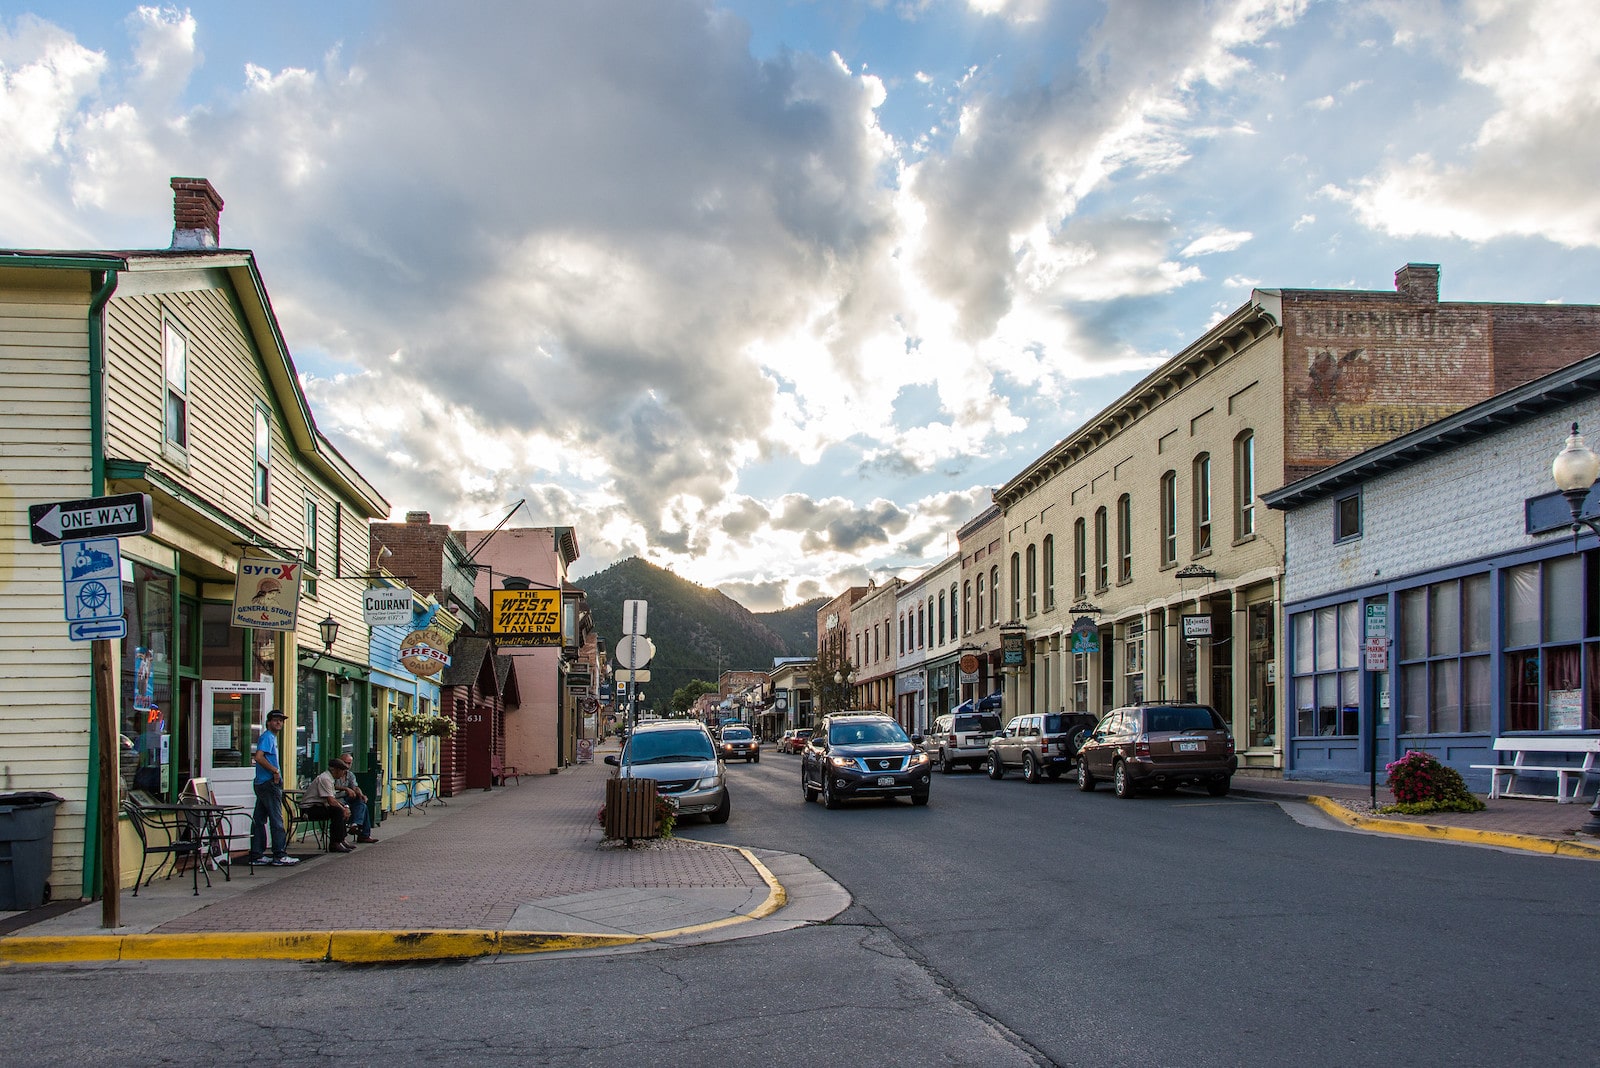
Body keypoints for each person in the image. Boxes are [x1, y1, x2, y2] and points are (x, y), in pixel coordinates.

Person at [249, 709, 298, 866]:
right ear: (269, 722)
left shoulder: (270, 738)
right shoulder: (267, 737)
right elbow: (258, 757)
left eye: (281, 720)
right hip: (268, 783)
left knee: (259, 819)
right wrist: (275, 771)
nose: (279, 723)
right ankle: (279, 854)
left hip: (262, 783)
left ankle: (257, 854)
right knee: (277, 819)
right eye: (276, 720)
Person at [301, 756, 354, 853]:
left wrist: (345, 807)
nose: (343, 774)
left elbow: (333, 799)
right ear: (336, 770)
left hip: (319, 806)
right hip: (309, 809)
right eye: (342, 771)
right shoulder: (325, 779)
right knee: (337, 811)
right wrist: (343, 809)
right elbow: (331, 801)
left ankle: (341, 839)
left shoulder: (330, 779)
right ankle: (335, 843)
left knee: (339, 809)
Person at [332, 755, 379, 844]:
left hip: (346, 798)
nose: (346, 765)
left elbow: (355, 787)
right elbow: (331, 787)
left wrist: (361, 795)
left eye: (349, 763)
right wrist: (346, 789)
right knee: (363, 808)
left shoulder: (350, 774)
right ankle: (363, 834)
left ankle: (355, 825)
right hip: (336, 798)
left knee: (361, 803)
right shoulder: (334, 773)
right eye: (344, 762)